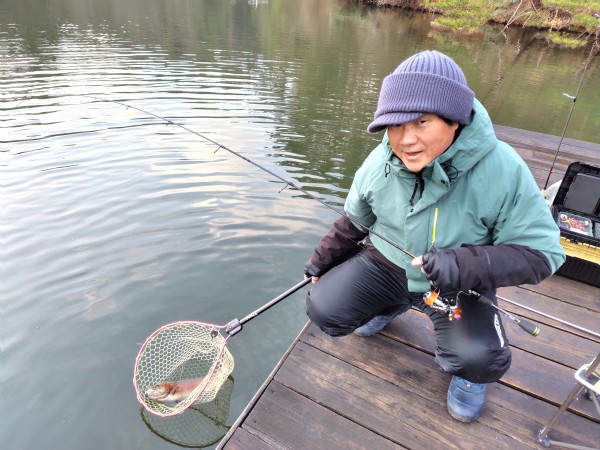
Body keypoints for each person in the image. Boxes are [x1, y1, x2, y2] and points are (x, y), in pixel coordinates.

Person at [303, 50, 565, 423]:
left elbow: (543, 254)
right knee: (323, 308)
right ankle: (392, 303)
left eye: (422, 122)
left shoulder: (504, 169)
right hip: (386, 265)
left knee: (481, 359)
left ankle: (469, 375)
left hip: (459, 285)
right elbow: (353, 222)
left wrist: (462, 264)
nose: (406, 139)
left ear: (454, 120)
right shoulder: (379, 163)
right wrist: (320, 261)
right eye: (395, 125)